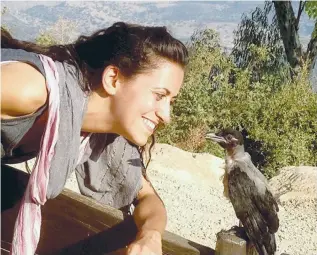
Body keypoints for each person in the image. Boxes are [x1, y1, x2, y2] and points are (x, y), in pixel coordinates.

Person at [1, 22, 188, 255]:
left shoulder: (99, 136)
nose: (167, 116)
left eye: (171, 101)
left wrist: (150, 236)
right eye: (159, 95)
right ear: (113, 79)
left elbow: (148, 199)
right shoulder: (30, 90)